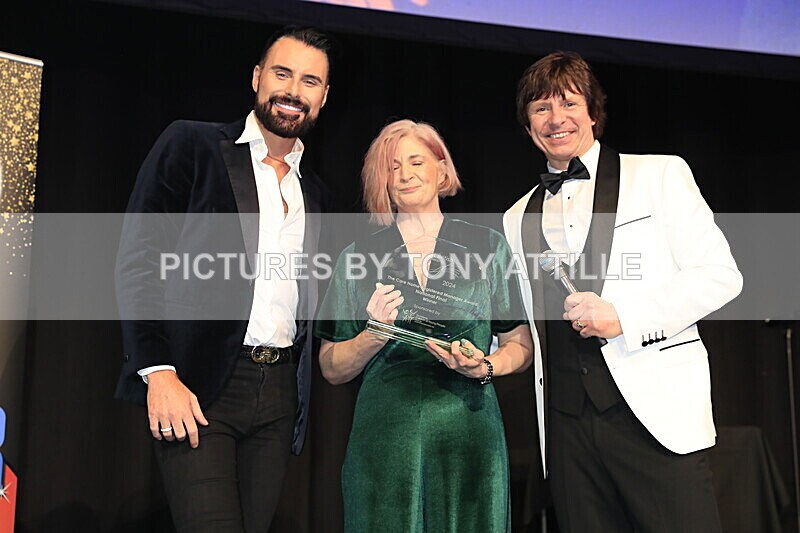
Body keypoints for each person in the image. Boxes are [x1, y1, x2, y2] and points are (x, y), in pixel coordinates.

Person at [503, 51, 743, 531]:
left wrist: (625, 317)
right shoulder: (514, 218)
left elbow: (721, 275)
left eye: (568, 103)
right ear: (528, 124)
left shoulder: (660, 175)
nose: (556, 119)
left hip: (653, 418)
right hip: (567, 432)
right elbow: (531, 326)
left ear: (593, 111)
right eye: (540, 108)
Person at [115, 27, 333, 532]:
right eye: (282, 73)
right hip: (198, 383)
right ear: (257, 77)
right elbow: (140, 258)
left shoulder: (315, 192)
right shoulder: (193, 144)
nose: (293, 91)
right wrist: (158, 371)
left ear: (324, 96)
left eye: (310, 81)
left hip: (277, 395)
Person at [314, 119, 534, 532]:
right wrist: (373, 334)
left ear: (442, 170)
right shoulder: (357, 255)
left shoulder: (487, 246)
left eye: (416, 161)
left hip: (468, 429)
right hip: (385, 434)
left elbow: (520, 345)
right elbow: (330, 366)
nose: (405, 174)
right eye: (392, 167)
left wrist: (485, 366)